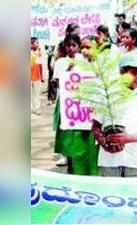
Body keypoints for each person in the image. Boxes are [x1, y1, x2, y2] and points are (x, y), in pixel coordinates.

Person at [92, 53, 137, 177]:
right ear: (122, 73)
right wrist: (103, 141)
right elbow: (96, 126)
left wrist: (128, 138)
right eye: (135, 73)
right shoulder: (107, 96)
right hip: (109, 163)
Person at [53, 34, 99, 175]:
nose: (72, 48)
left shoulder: (88, 62)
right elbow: (56, 82)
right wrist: (68, 70)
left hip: (85, 107)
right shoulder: (61, 62)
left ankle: (90, 169)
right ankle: (73, 167)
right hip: (70, 108)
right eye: (69, 45)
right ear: (65, 47)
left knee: (88, 138)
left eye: (75, 45)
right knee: (72, 139)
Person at [31, 37, 44, 115]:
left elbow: (40, 65)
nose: (38, 44)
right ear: (31, 44)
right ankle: (31, 108)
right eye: (36, 43)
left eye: (38, 43)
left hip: (37, 76)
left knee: (37, 94)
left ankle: (37, 109)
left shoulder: (39, 53)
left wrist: (42, 76)